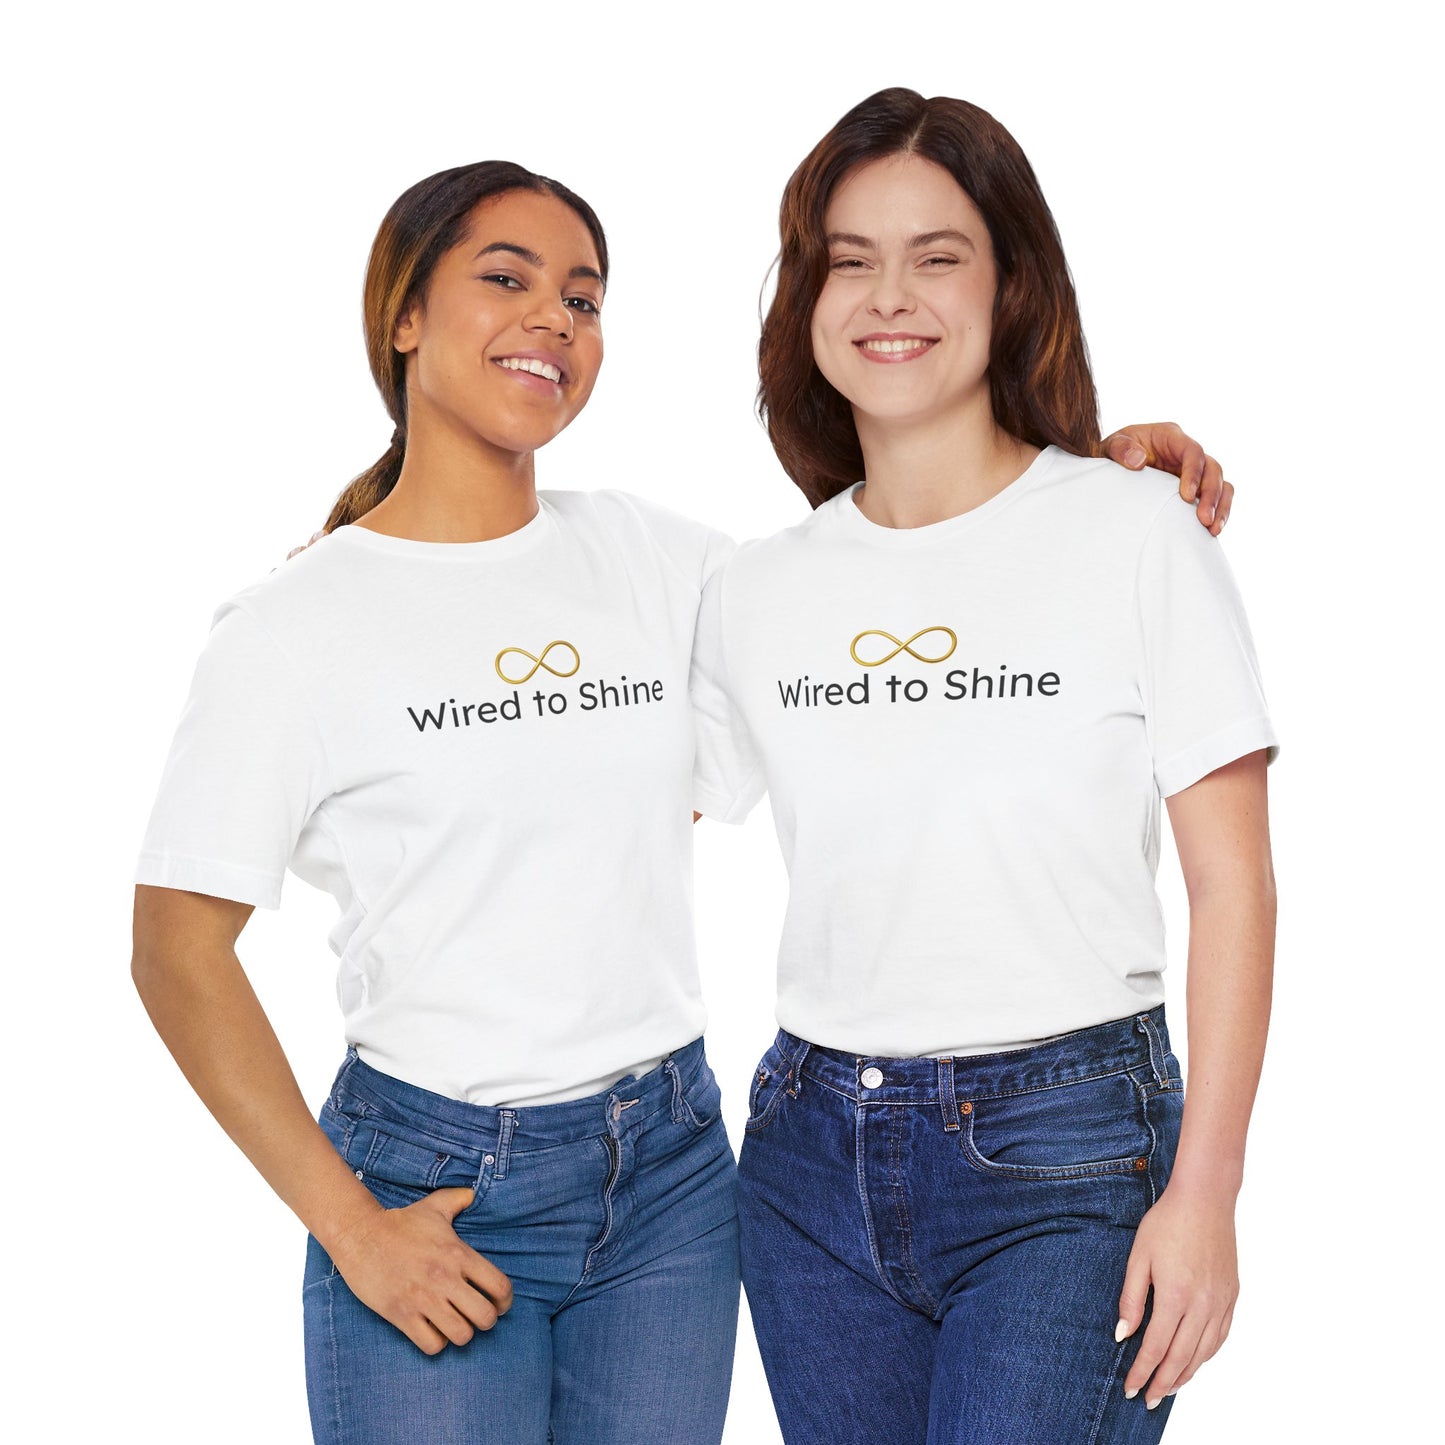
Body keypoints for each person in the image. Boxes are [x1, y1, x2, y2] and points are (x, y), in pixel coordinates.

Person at [131, 157, 1231, 1442]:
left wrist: (1083, 486)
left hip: (666, 1181)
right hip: (429, 1180)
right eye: (506, 278)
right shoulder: (291, 630)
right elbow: (174, 947)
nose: (553, 317)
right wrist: (351, 1227)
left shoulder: (666, 567)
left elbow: (892, 581)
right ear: (403, 315)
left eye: (583, 298)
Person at [691, 89, 1276, 1444]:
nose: (889, 294)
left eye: (937, 254)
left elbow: (1234, 887)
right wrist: (381, 569)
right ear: (805, 294)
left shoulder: (1138, 531)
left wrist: (1206, 1196)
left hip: (1068, 1153)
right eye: (848, 257)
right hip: (804, 1163)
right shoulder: (753, 589)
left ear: (1011, 283)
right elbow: (598, 796)